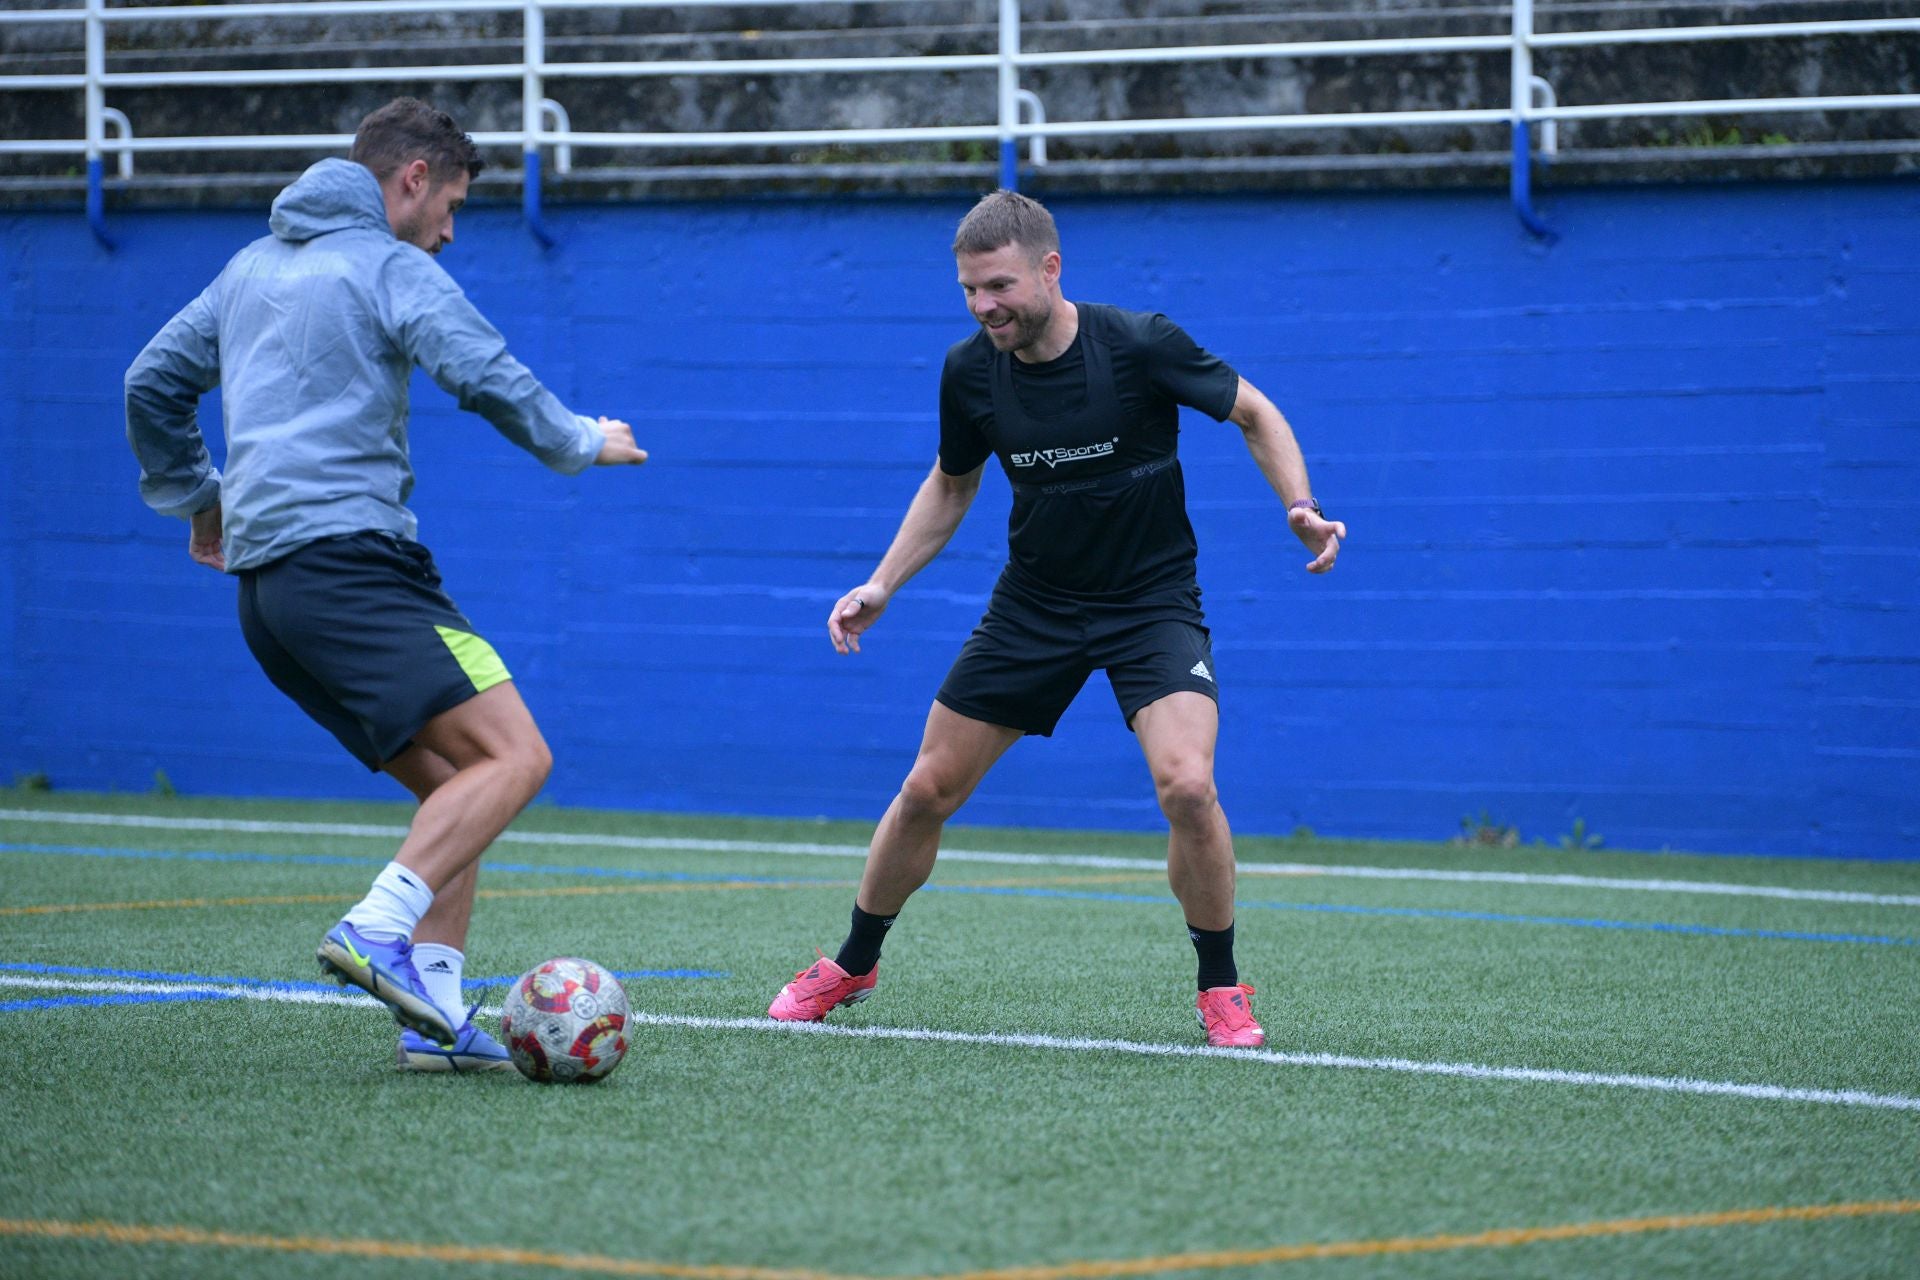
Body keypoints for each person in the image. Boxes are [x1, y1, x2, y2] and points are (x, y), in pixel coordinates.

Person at [123, 98, 647, 1072]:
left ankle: (430, 1014)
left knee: (457, 794)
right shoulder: (387, 264)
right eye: (450, 202)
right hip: (354, 568)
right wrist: (584, 441)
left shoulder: (247, 269)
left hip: (270, 600)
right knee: (517, 758)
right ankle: (376, 928)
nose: (450, 228)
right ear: (411, 179)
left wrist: (204, 496)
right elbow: (480, 369)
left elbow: (149, 382)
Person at [768, 190, 1346, 1047]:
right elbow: (952, 483)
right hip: (1035, 607)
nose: (983, 305)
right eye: (969, 289)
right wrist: (884, 582)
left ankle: (1220, 986)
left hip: (1151, 605)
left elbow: (1255, 412)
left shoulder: (1139, 343)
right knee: (927, 788)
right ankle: (853, 962)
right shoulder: (970, 370)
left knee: (1189, 786)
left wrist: (1298, 504)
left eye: (998, 285)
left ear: (1050, 268)